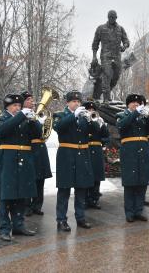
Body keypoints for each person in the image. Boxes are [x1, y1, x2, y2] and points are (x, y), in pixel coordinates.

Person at [0, 94, 40, 241]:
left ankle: (19, 225)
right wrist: (21, 115)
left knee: (22, 194)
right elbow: (1, 131)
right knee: (6, 196)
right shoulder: (0, 118)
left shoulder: (24, 119)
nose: (17, 108)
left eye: (19, 106)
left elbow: (38, 134)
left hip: (24, 160)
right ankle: (4, 229)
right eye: (14, 106)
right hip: (7, 160)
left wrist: (34, 121)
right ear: (7, 107)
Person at [53, 91, 100, 232]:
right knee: (64, 190)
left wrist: (93, 120)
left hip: (82, 156)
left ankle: (80, 218)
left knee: (81, 189)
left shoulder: (84, 117)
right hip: (66, 155)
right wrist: (73, 115)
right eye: (74, 101)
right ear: (67, 103)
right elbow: (59, 127)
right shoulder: (60, 115)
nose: (77, 104)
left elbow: (96, 131)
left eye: (79, 102)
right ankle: (61, 220)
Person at [116, 94, 149, 222]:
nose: (136, 105)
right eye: (133, 103)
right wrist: (135, 113)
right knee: (130, 183)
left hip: (143, 152)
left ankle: (139, 210)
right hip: (129, 152)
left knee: (142, 182)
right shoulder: (121, 115)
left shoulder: (143, 116)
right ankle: (129, 212)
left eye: (138, 103)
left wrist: (147, 116)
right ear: (128, 104)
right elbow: (122, 126)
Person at [20, 91, 52, 216]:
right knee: (29, 179)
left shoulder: (38, 114)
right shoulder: (21, 115)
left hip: (41, 149)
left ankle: (37, 205)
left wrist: (43, 122)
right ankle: (26, 206)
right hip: (29, 148)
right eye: (28, 100)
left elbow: (44, 134)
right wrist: (32, 121)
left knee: (40, 179)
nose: (32, 102)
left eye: (32, 100)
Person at [92, 10, 130, 102]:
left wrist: (124, 47)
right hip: (105, 56)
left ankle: (106, 91)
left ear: (116, 18)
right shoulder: (101, 28)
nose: (112, 19)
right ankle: (106, 98)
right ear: (108, 17)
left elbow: (126, 41)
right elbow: (95, 43)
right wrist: (94, 56)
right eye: (110, 17)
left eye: (114, 17)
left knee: (116, 76)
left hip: (117, 56)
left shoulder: (120, 29)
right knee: (107, 74)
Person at [83, 101, 109, 209]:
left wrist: (101, 141)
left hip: (97, 150)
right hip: (85, 149)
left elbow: (106, 136)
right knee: (85, 174)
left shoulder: (100, 121)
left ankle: (94, 199)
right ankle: (85, 199)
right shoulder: (82, 120)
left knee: (97, 175)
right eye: (88, 110)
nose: (91, 112)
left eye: (92, 110)